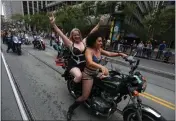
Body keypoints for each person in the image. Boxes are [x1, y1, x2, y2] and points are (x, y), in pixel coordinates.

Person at [66, 31, 127, 121]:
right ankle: (70, 109)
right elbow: (90, 62)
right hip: (88, 75)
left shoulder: (99, 50)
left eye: (101, 41)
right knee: (84, 96)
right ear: (93, 41)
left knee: (112, 81)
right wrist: (101, 66)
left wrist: (120, 54)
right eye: (99, 41)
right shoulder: (89, 51)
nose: (101, 43)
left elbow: (109, 54)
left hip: (96, 72)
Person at [49, 12, 104, 84]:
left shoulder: (84, 42)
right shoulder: (70, 43)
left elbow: (92, 32)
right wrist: (53, 24)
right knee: (79, 76)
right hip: (74, 65)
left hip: (84, 64)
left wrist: (99, 24)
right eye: (74, 35)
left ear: (80, 35)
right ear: (72, 36)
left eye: (78, 35)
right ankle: (73, 85)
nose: (77, 36)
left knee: (98, 72)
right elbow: (61, 34)